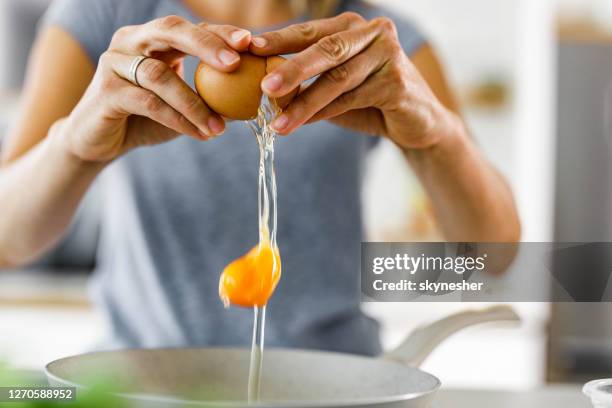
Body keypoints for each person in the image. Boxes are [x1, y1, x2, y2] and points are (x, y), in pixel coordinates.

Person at [0, 0, 520, 354]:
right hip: (146, 383)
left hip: (330, 387)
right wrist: (75, 146)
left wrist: (436, 139)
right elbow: (8, 240)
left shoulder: (373, 38)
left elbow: (496, 255)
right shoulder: (112, 16)